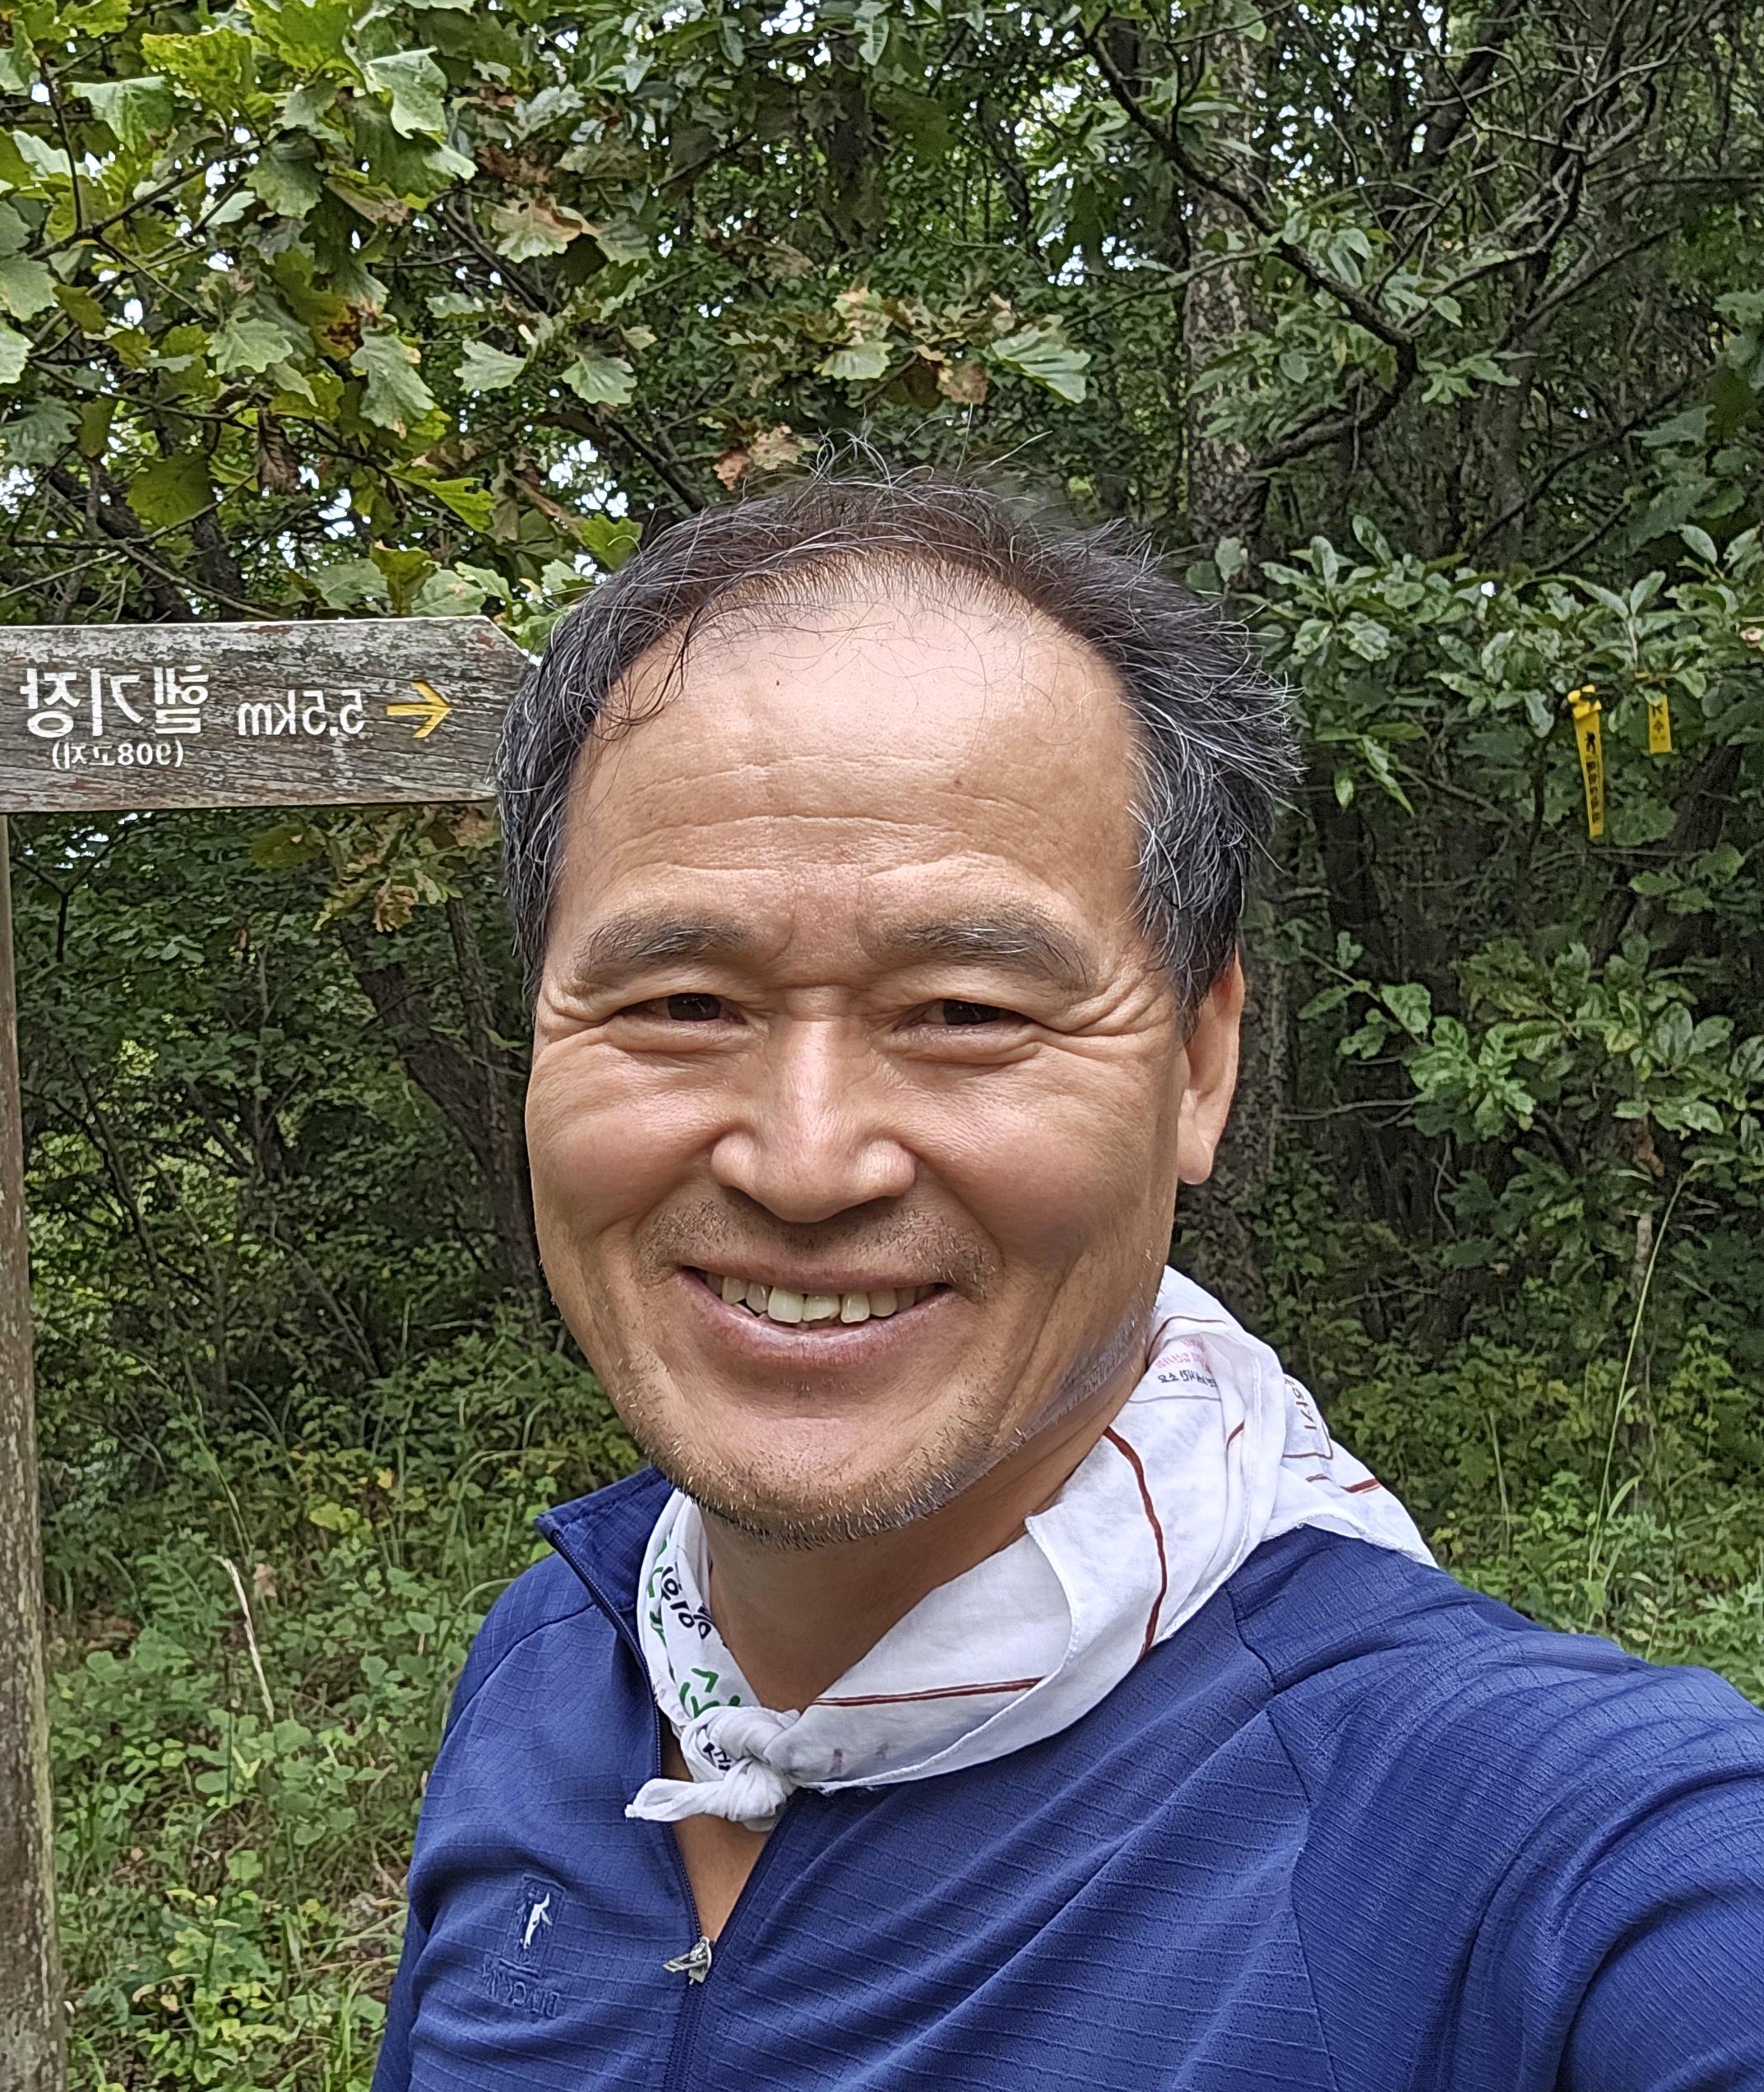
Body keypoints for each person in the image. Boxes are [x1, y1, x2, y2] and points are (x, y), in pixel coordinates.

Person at [371, 471, 1764, 2091]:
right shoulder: (560, 1652)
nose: (806, 1162)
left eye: (967, 1012)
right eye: (682, 1004)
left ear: (1199, 1061)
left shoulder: (1538, 1853)